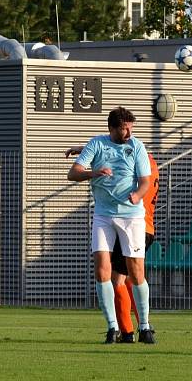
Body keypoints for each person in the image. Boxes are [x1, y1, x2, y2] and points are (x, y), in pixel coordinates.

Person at [67, 106, 155, 344]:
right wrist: (93, 173)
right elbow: (73, 173)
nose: (128, 132)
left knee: (136, 272)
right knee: (102, 270)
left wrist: (137, 195)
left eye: (130, 128)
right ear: (112, 128)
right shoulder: (96, 144)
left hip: (132, 217)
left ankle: (145, 327)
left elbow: (145, 181)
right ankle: (112, 328)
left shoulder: (136, 146)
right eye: (124, 128)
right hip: (104, 215)